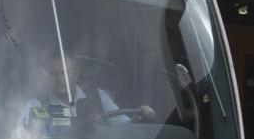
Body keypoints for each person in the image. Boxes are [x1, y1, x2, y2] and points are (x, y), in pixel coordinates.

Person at [18, 53, 156, 131]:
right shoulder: (35, 104)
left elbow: (122, 126)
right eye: (54, 74)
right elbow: (19, 137)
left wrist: (137, 117)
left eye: (65, 73)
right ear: (48, 76)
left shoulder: (97, 96)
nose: (60, 78)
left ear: (76, 74)